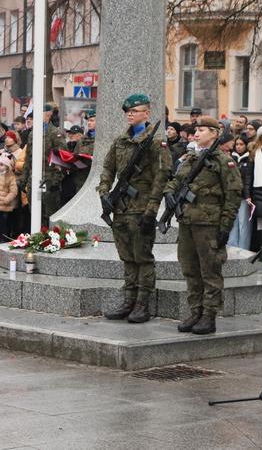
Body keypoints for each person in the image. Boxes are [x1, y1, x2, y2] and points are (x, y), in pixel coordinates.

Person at [98, 94, 171, 324]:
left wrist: (152, 210)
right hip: (120, 209)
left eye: (135, 111)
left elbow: (161, 178)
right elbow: (108, 168)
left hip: (141, 210)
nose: (130, 114)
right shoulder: (120, 141)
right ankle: (129, 300)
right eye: (128, 111)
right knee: (127, 257)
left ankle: (142, 304)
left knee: (142, 258)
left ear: (146, 113)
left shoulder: (156, 143)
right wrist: (104, 192)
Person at [165, 117, 242, 334]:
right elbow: (176, 180)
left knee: (210, 271)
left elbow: (233, 195)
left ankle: (209, 315)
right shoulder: (190, 158)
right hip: (187, 222)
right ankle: (195, 311)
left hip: (209, 224)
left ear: (215, 133)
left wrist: (225, 226)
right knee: (190, 269)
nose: (196, 134)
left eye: (202, 130)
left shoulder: (223, 161)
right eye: (196, 130)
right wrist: (169, 192)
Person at [22, 103, 66, 226]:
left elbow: (62, 159)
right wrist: (23, 179)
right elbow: (28, 158)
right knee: (35, 214)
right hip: (34, 179)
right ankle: (37, 235)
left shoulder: (56, 133)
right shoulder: (32, 134)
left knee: (50, 214)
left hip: (49, 180)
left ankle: (51, 236)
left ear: (48, 114)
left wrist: (56, 180)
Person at [228, 135, 252, 250]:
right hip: (232, 195)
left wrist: (247, 195)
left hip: (244, 196)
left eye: (241, 144)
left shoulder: (249, 159)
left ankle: (243, 248)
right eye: (237, 144)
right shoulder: (230, 158)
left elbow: (248, 179)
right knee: (233, 221)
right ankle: (232, 246)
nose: (238, 147)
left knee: (243, 223)